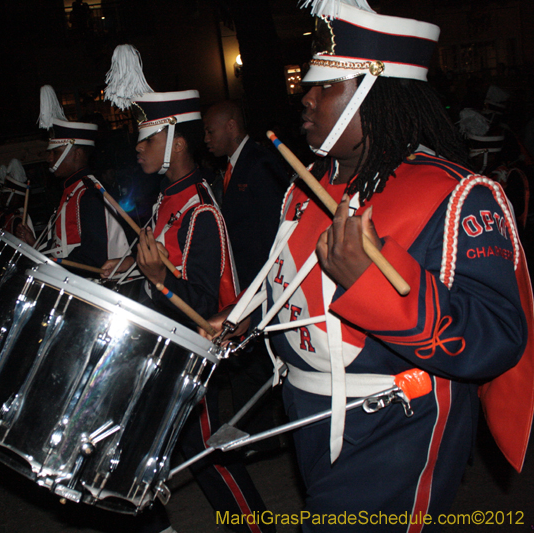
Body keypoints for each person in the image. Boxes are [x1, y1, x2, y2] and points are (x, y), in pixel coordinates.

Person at [207, 2, 533, 530]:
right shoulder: (303, 189)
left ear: (374, 97)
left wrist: (373, 284)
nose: (305, 98)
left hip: (399, 426)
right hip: (309, 418)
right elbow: (294, 288)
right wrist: (244, 316)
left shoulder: (457, 197)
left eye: (325, 87)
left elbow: (498, 336)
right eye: (309, 85)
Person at [101, 44, 274, 533]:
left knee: (205, 452)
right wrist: (129, 269)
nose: (138, 147)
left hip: (193, 353)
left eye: (147, 138)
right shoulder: (166, 201)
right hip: (163, 349)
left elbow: (200, 301)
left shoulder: (200, 211)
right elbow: (161, 267)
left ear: (175, 141)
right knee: (149, 446)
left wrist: (156, 279)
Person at [203, 101, 289, 450]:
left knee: (263, 362)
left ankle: (260, 439)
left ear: (232, 126)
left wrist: (261, 291)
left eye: (211, 130)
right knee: (249, 364)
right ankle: (257, 438)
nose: (205, 139)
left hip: (264, 284)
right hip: (247, 285)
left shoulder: (260, 163)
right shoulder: (233, 168)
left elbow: (274, 232)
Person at [15, 85, 128, 271]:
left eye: (55, 152)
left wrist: (48, 264)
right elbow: (63, 248)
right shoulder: (72, 191)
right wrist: (34, 243)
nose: (49, 158)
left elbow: (93, 259)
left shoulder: (90, 195)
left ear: (77, 154)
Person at [0, 158, 35, 236]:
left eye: (5, 195)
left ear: (15, 196)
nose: (2, 198)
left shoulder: (19, 218)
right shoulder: (4, 216)